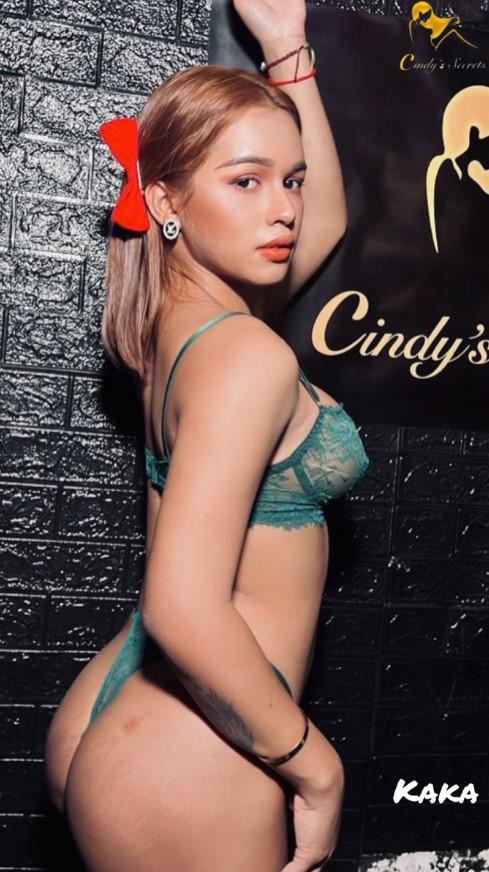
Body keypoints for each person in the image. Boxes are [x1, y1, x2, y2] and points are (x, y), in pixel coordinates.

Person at [44, 1, 370, 870]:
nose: (285, 208)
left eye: (290, 180)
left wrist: (286, 48)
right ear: (165, 198)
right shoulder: (246, 355)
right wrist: (316, 769)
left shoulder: (173, 326)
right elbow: (183, 604)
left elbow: (325, 223)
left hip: (137, 709)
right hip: (195, 750)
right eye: (246, 181)